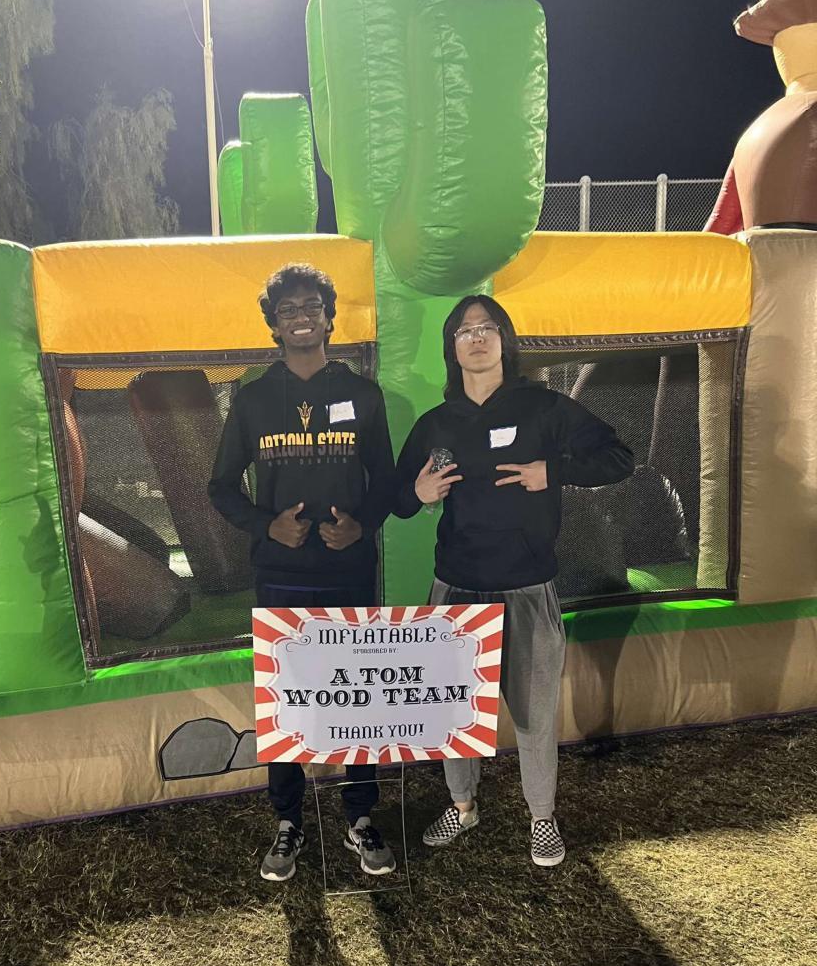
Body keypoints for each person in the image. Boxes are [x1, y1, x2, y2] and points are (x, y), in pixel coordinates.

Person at [394, 296, 634, 867]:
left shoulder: (544, 408)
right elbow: (398, 501)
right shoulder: (435, 424)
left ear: (505, 339)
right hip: (455, 590)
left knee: (534, 713)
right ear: (452, 348)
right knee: (453, 711)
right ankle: (462, 804)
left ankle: (542, 816)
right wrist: (417, 494)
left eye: (487, 328)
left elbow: (618, 457)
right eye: (464, 331)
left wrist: (555, 471)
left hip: (527, 586)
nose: (476, 337)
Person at [209, 263, 398, 882]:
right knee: (285, 696)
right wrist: (267, 526)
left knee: (359, 693)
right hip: (281, 573)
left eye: (311, 306)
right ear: (274, 323)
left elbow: (386, 481)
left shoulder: (363, 395)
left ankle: (360, 815)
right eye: (287, 309)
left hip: (350, 571)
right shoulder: (253, 399)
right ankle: (288, 821)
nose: (300, 318)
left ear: (328, 317)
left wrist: (361, 526)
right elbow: (220, 486)